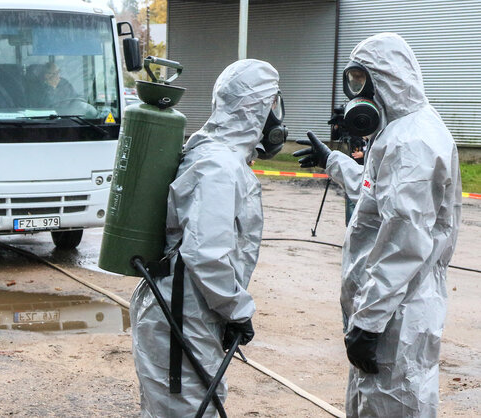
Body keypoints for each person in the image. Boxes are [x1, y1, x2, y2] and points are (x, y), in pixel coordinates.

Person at [294, 33, 461, 417]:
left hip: (397, 314)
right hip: (388, 309)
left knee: (395, 403)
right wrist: (333, 162)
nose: (357, 92)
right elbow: (376, 196)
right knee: (374, 402)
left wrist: (368, 323)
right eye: (352, 81)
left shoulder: (412, 142)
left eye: (361, 80)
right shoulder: (401, 129)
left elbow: (403, 243)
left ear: (386, 78)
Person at [131, 59, 284, 417]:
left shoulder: (217, 155)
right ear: (255, 107)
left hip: (187, 313)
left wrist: (226, 314)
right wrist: (236, 310)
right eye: (273, 103)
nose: (276, 116)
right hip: (184, 316)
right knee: (188, 410)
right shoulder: (219, 166)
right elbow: (205, 253)